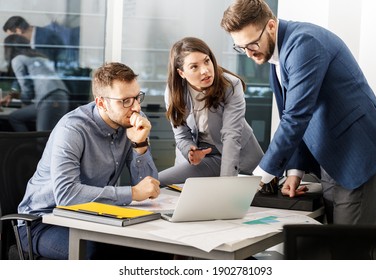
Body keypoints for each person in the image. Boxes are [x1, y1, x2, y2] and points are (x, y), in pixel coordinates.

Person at [220, 0, 376, 225]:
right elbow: (296, 114)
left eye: (252, 44)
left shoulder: (304, 43)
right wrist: (295, 170)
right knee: (332, 243)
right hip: (331, 156)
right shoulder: (276, 52)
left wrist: (259, 179)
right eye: (241, 48)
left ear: (271, 26)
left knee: (348, 251)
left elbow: (296, 116)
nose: (248, 54)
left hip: (359, 153)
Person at [16, 62, 165, 260]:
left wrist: (140, 145)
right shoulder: (72, 129)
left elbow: (150, 189)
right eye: (126, 101)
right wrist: (132, 193)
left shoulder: (132, 120)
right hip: (43, 222)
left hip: (92, 216)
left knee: (154, 246)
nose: (136, 107)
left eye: (137, 97)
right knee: (101, 252)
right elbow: (66, 195)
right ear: (102, 103)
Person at [158, 37, 264, 185]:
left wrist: (226, 182)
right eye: (194, 67)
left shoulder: (231, 85)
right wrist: (191, 152)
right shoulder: (173, 92)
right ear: (181, 73)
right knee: (157, 182)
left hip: (236, 155)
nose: (205, 71)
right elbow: (182, 136)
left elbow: (231, 135)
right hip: (203, 158)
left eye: (206, 61)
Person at [0, 34, 69, 131]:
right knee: (15, 117)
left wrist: (21, 99)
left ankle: (29, 145)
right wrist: (12, 95)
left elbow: (27, 90)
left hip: (49, 99)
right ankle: (26, 144)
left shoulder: (17, 60)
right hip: (58, 97)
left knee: (42, 138)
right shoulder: (40, 57)